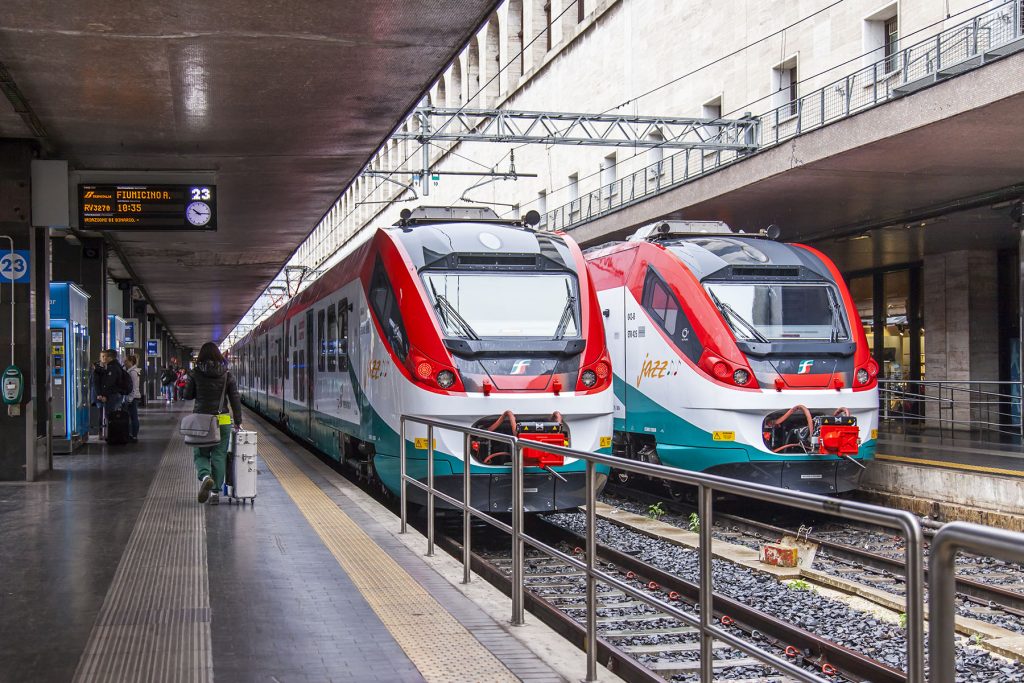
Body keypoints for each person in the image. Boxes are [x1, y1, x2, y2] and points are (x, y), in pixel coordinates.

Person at [183, 342, 242, 506]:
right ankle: (215, 492)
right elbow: (235, 399)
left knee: (200, 454)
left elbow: (187, 395)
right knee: (219, 455)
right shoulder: (227, 374)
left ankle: (205, 476)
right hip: (222, 419)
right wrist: (238, 421)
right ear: (219, 356)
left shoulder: (195, 373)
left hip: (201, 419)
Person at [92, 349, 129, 430]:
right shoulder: (113, 366)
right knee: (107, 415)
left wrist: (103, 395)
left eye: (105, 356)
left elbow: (109, 383)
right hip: (113, 395)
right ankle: (107, 433)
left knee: (109, 416)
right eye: (102, 356)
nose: (103, 358)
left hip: (111, 396)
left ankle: (110, 433)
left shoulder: (112, 367)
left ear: (110, 357)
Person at [124, 355, 143, 441]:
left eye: (126, 361)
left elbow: (134, 386)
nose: (124, 363)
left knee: (133, 416)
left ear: (131, 362)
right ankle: (132, 434)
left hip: (133, 398)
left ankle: (134, 435)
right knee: (132, 416)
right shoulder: (132, 371)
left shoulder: (133, 372)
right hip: (133, 397)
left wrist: (130, 399)